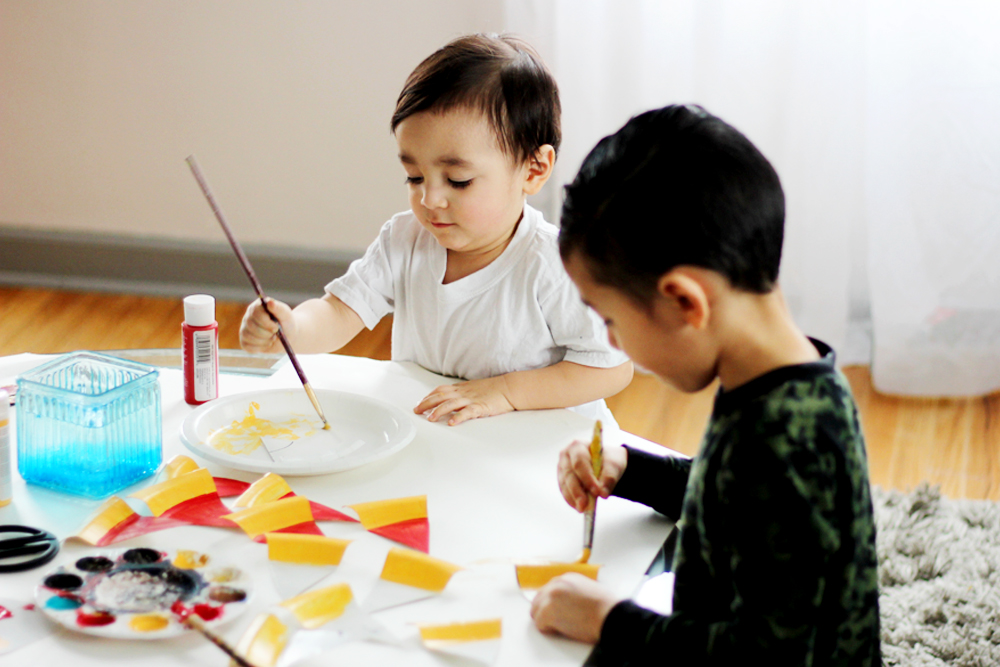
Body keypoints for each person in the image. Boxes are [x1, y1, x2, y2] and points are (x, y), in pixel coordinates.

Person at [530, 105, 881, 665]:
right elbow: (733, 499)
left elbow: (765, 656)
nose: (614, 343)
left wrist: (606, 618)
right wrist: (633, 469)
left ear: (684, 302)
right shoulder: (788, 377)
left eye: (611, 319)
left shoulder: (782, 442)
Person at [240, 34, 632, 426]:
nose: (429, 199)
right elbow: (339, 311)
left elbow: (611, 368)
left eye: (458, 180)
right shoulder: (404, 241)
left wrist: (506, 391)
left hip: (545, 453)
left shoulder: (554, 263)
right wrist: (292, 329)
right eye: (414, 177)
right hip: (447, 436)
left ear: (533, 169)